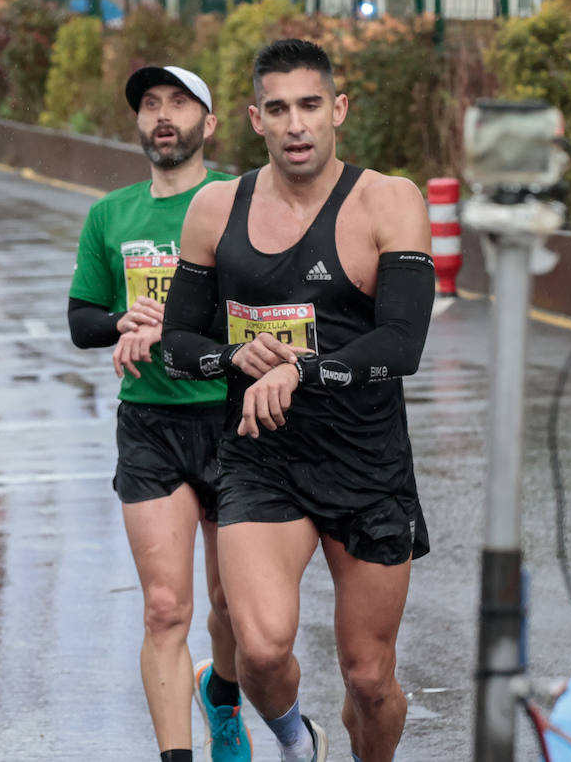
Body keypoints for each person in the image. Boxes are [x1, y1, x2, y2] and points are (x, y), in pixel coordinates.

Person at [161, 39, 435, 762]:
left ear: (338, 109)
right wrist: (233, 357)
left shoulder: (389, 201)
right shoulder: (216, 209)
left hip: (367, 462)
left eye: (310, 105)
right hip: (263, 458)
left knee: (369, 677)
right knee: (258, 650)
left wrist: (299, 372)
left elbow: (402, 345)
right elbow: (177, 343)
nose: (296, 124)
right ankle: (294, 739)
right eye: (277, 109)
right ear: (255, 118)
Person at [69, 65, 248, 762]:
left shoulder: (239, 203)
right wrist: (122, 321)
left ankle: (225, 701)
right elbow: (81, 319)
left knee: (232, 607)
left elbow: (263, 307)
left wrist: (176, 329)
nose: (163, 115)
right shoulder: (110, 214)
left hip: (233, 420)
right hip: (150, 423)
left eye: (179, 103)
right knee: (165, 608)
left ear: (211, 122)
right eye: (150, 104)